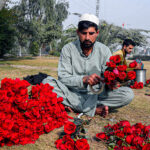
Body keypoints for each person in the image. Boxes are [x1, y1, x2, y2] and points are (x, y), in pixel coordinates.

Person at [42, 13, 134, 117]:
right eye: (84, 33)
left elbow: (107, 76)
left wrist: (112, 82)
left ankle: (76, 106)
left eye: (91, 33)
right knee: (47, 82)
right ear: (78, 32)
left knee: (128, 94)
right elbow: (63, 78)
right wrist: (83, 80)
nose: (87, 37)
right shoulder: (68, 49)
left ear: (97, 33)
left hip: (96, 94)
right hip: (72, 93)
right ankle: (93, 109)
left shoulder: (104, 50)